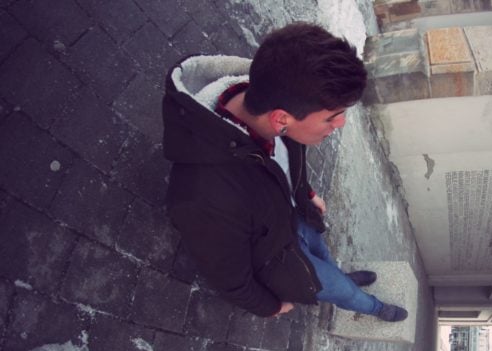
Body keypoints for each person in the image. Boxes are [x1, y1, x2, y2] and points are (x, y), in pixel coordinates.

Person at [162, 22, 408, 322]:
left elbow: (281, 166)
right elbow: (230, 279)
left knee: (324, 257)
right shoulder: (204, 197)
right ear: (281, 119)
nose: (340, 124)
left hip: (297, 220)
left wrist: (304, 193)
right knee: (342, 293)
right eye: (332, 117)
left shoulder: (279, 103)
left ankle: (337, 275)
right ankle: (373, 307)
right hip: (279, 257)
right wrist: (271, 306)